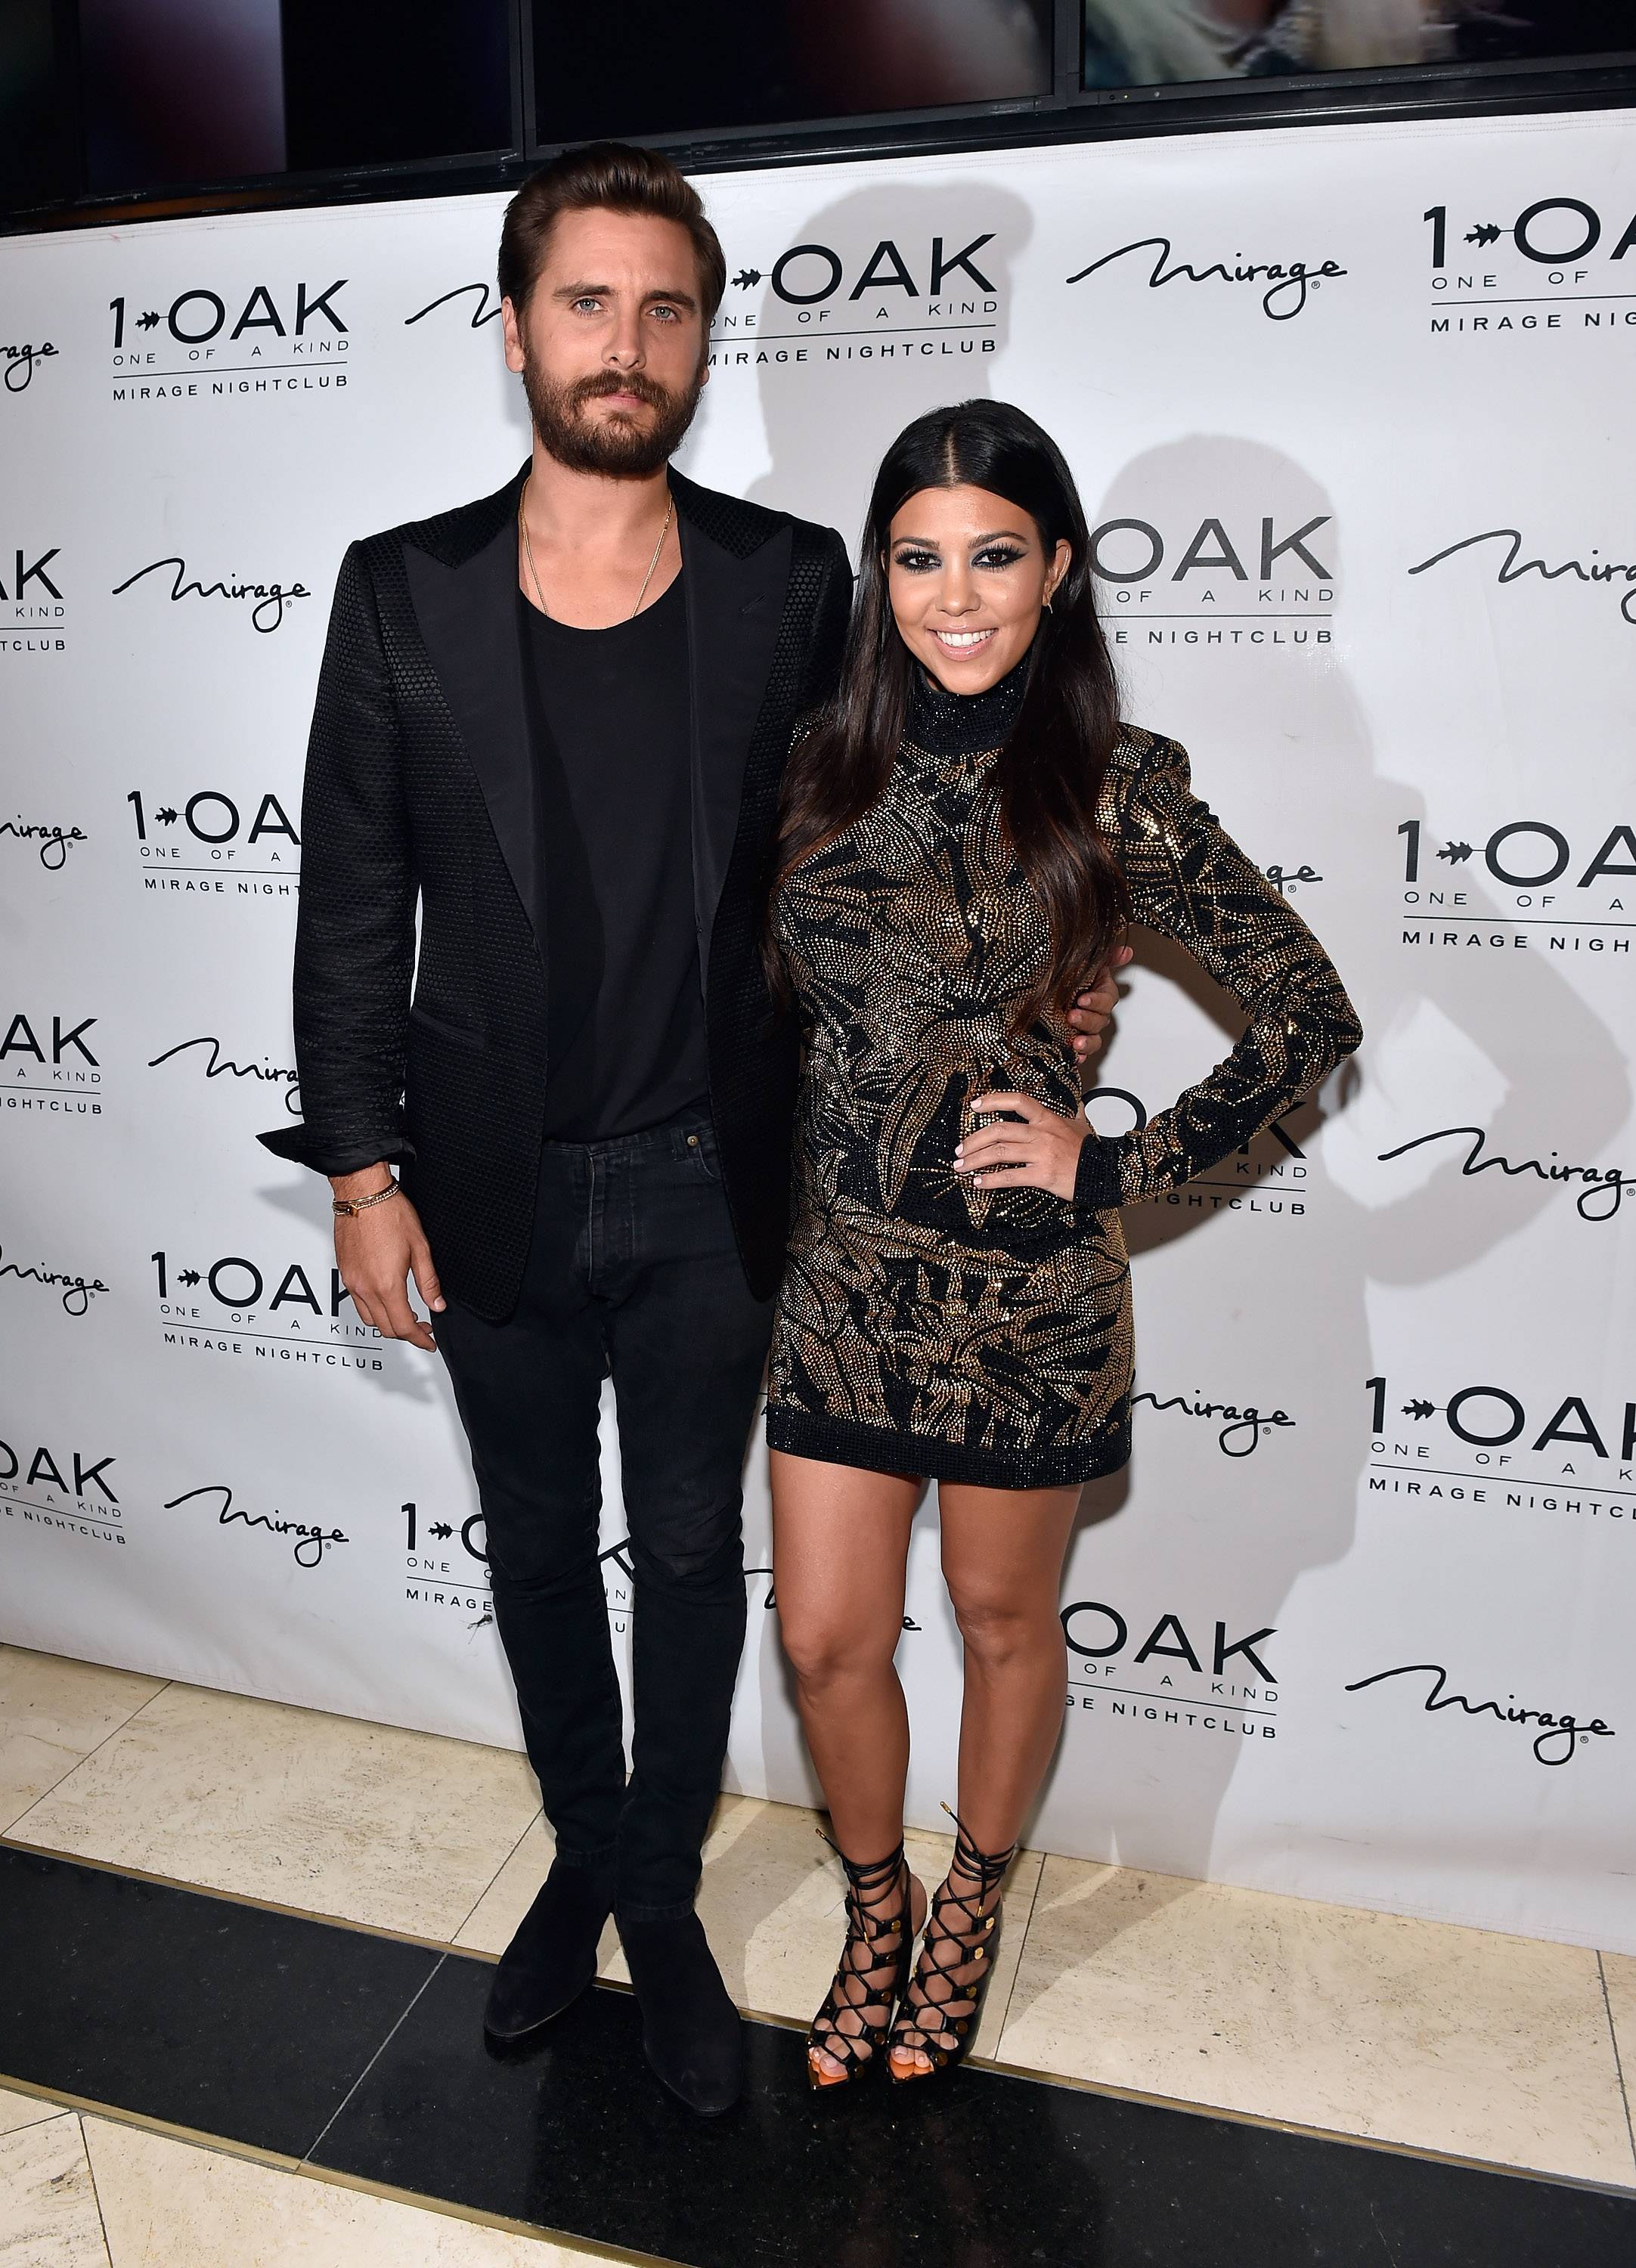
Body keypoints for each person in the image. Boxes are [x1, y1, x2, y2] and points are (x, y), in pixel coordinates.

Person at [259, 147, 1117, 2116]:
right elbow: (350, 910)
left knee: (685, 1559)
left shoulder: (788, 582)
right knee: (539, 1556)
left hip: (717, 1186)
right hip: (479, 1180)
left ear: (703, 342)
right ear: (514, 331)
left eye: (664, 309)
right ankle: (594, 1857)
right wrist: (365, 1175)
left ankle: (652, 1902)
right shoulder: (400, 591)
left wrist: (1066, 949)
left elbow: (913, 816)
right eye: (587, 302)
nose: (624, 344)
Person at [764, 399, 1362, 2087]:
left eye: (994, 557)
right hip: (839, 1282)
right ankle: (873, 1905)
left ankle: (967, 1906)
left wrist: (1113, 1162)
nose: (954, 597)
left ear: (1060, 571)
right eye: (918, 559)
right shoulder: (815, 764)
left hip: (1025, 1301)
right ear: (880, 575)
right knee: (823, 1637)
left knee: (999, 1618)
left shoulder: (1114, 785)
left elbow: (1307, 1013)